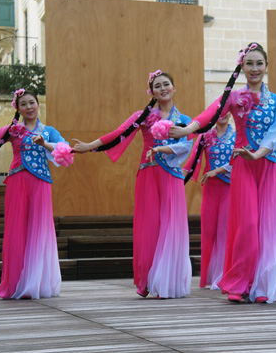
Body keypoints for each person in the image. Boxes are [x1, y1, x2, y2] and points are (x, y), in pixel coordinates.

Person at [171, 43, 276, 303]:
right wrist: (187, 130)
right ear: (242, 67)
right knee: (246, 224)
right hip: (243, 165)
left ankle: (263, 286)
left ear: (266, 67)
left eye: (259, 63)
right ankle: (239, 282)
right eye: (249, 64)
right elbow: (211, 114)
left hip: (270, 164)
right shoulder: (233, 98)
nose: (254, 68)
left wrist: (258, 153)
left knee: (268, 226)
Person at [72, 70, 192, 299]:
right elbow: (119, 133)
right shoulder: (143, 116)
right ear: (152, 92)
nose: (163, 88)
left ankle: (167, 281)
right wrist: (90, 146)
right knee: (149, 227)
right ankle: (148, 281)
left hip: (172, 176)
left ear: (174, 88)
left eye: (166, 84)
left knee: (172, 226)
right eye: (158, 86)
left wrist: (162, 149)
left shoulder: (184, 120)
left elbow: (186, 146)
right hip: (148, 175)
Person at [0, 89, 73, 299]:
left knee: (39, 230)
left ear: (38, 105)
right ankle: (16, 283)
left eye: (32, 103)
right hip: (17, 182)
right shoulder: (14, 131)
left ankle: (36, 283)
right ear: (18, 108)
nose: (29, 107)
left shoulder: (48, 131)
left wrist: (45, 144)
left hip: (41, 183)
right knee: (16, 229)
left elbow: (65, 151)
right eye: (24, 104)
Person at [182, 113, 235, 290]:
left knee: (224, 231)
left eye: (228, 112)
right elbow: (192, 160)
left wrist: (219, 170)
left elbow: (240, 161)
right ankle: (209, 276)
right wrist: (178, 178)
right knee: (208, 230)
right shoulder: (205, 136)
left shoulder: (237, 136)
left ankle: (222, 275)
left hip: (229, 187)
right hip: (210, 188)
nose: (224, 116)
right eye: (220, 112)